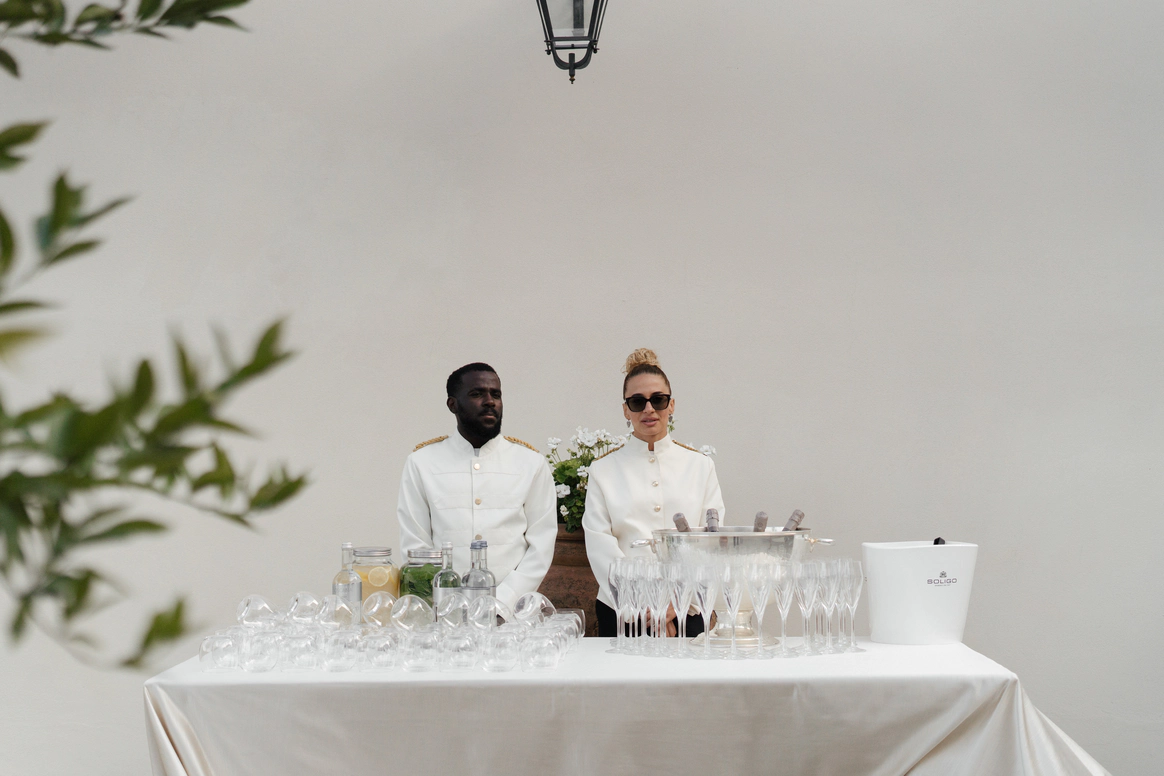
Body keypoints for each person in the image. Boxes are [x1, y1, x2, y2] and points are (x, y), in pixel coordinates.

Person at [583, 348, 726, 638]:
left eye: (658, 400)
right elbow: (600, 546)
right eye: (637, 402)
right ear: (626, 410)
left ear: (671, 405)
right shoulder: (603, 470)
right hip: (623, 612)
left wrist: (675, 602)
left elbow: (711, 543)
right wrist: (644, 603)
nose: (649, 409)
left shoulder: (700, 467)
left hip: (688, 610)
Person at [397, 362, 557, 610]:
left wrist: (502, 602)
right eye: (477, 394)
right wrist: (447, 604)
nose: (490, 401)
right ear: (452, 404)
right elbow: (416, 546)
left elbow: (541, 546)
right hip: (445, 613)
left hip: (512, 614)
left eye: (496, 394)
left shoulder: (530, 463)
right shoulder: (422, 463)